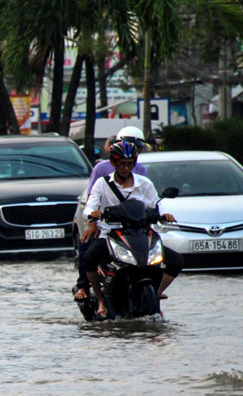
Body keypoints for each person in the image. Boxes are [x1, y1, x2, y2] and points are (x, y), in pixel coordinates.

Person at [82, 140, 183, 319]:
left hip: (142, 234)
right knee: (89, 257)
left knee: (176, 260)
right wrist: (94, 213)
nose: (126, 168)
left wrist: (165, 214)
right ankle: (100, 299)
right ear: (113, 163)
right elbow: (89, 208)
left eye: (130, 164)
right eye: (122, 164)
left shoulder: (144, 183)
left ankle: (157, 292)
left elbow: (155, 204)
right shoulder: (101, 184)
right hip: (112, 234)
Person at [74, 126, 149, 302]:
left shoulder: (142, 171)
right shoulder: (101, 170)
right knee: (87, 249)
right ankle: (84, 286)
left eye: (137, 149)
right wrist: (92, 223)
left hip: (133, 225)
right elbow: (92, 197)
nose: (126, 166)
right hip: (106, 224)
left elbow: (149, 200)